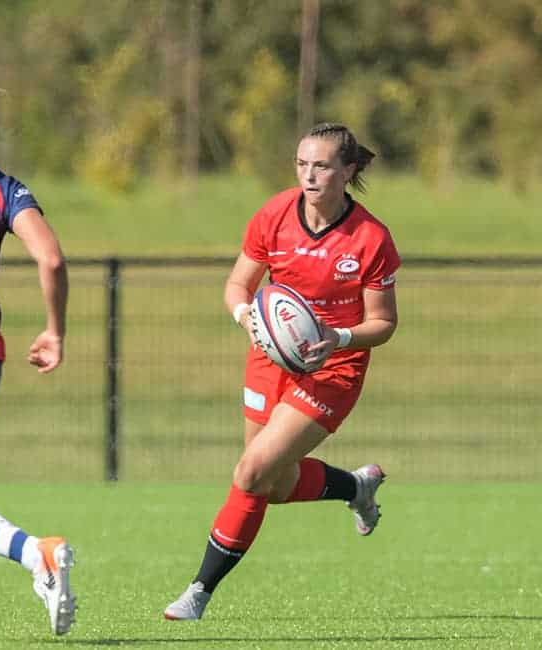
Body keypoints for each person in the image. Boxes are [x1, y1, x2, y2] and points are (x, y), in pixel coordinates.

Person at [165, 122, 400, 620]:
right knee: (270, 484)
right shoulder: (275, 214)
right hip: (269, 360)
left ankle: (199, 591)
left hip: (333, 368)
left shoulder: (371, 238)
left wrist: (337, 338)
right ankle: (355, 487)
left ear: (348, 170)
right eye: (301, 164)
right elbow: (238, 285)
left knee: (251, 471)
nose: (309, 176)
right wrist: (244, 316)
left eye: (321, 166)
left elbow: (383, 323)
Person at [0, 62, 75, 635]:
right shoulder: (5, 187)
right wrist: (54, 330)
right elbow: (50, 259)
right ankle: (36, 555)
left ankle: (36, 554)